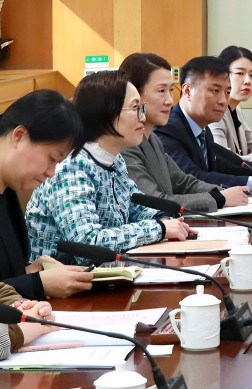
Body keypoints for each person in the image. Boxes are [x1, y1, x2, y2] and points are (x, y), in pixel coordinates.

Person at [26, 71, 192, 263]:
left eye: (142, 108)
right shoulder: (70, 168)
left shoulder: (114, 160)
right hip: (60, 287)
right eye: (135, 108)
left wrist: (164, 220)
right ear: (105, 113)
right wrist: (159, 229)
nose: (143, 118)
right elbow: (87, 244)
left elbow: (134, 207)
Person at [0, 91, 94, 299]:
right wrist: (37, 284)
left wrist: (32, 271)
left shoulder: (6, 188)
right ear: (19, 136)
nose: (52, 172)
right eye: (51, 158)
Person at [120, 52, 249, 213]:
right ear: (133, 95)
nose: (169, 100)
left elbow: (183, 182)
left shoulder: (152, 139)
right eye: (161, 91)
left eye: (170, 90)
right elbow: (154, 202)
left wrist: (223, 192)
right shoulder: (123, 145)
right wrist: (219, 198)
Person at [153, 56, 252, 194]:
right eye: (215, 90)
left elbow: (221, 166)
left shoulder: (202, 127)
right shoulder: (168, 129)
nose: (223, 101)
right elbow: (193, 178)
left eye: (227, 92)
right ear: (187, 91)